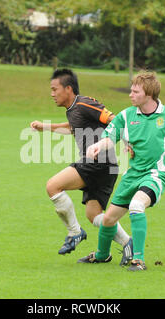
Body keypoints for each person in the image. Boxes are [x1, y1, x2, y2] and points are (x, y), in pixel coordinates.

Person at [78, 70, 165, 271]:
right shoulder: (126, 116)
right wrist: (98, 146)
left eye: (135, 91)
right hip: (132, 174)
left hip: (156, 173)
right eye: (131, 90)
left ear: (149, 95)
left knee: (137, 205)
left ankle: (139, 259)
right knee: (108, 219)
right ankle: (102, 255)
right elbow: (110, 137)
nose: (131, 94)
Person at [30, 68, 133, 266]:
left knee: (53, 186)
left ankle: (75, 232)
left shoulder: (85, 103)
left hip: (98, 162)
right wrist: (46, 126)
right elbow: (72, 128)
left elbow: (116, 120)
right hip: (105, 166)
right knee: (94, 215)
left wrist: (128, 142)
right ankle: (128, 243)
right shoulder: (73, 110)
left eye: (54, 89)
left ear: (68, 88)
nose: (52, 94)